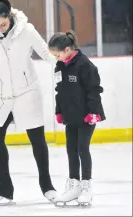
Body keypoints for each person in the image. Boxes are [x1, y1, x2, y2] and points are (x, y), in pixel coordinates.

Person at [0, 0, 57, 206]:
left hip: (27, 92)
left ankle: (47, 186)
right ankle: (4, 187)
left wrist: (65, 67)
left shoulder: (27, 30)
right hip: (1, 94)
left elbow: (45, 52)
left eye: (3, 24)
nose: (0, 28)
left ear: (10, 16)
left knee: (37, 139)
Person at [48, 30, 106, 206]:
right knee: (70, 149)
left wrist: (94, 112)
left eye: (57, 54)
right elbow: (60, 90)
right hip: (70, 115)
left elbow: (94, 90)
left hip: (88, 115)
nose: (56, 58)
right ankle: (74, 185)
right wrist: (59, 110)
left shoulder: (85, 66)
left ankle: (86, 185)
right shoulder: (60, 66)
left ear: (67, 49)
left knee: (82, 148)